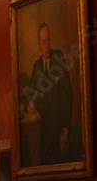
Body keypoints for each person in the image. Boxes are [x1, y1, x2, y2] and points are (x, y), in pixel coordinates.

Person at [22, 22, 75, 165]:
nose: (47, 45)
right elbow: (28, 94)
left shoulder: (59, 58)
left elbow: (68, 95)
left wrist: (65, 129)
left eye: (49, 40)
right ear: (39, 45)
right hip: (44, 135)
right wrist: (29, 104)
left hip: (60, 132)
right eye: (43, 41)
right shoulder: (37, 66)